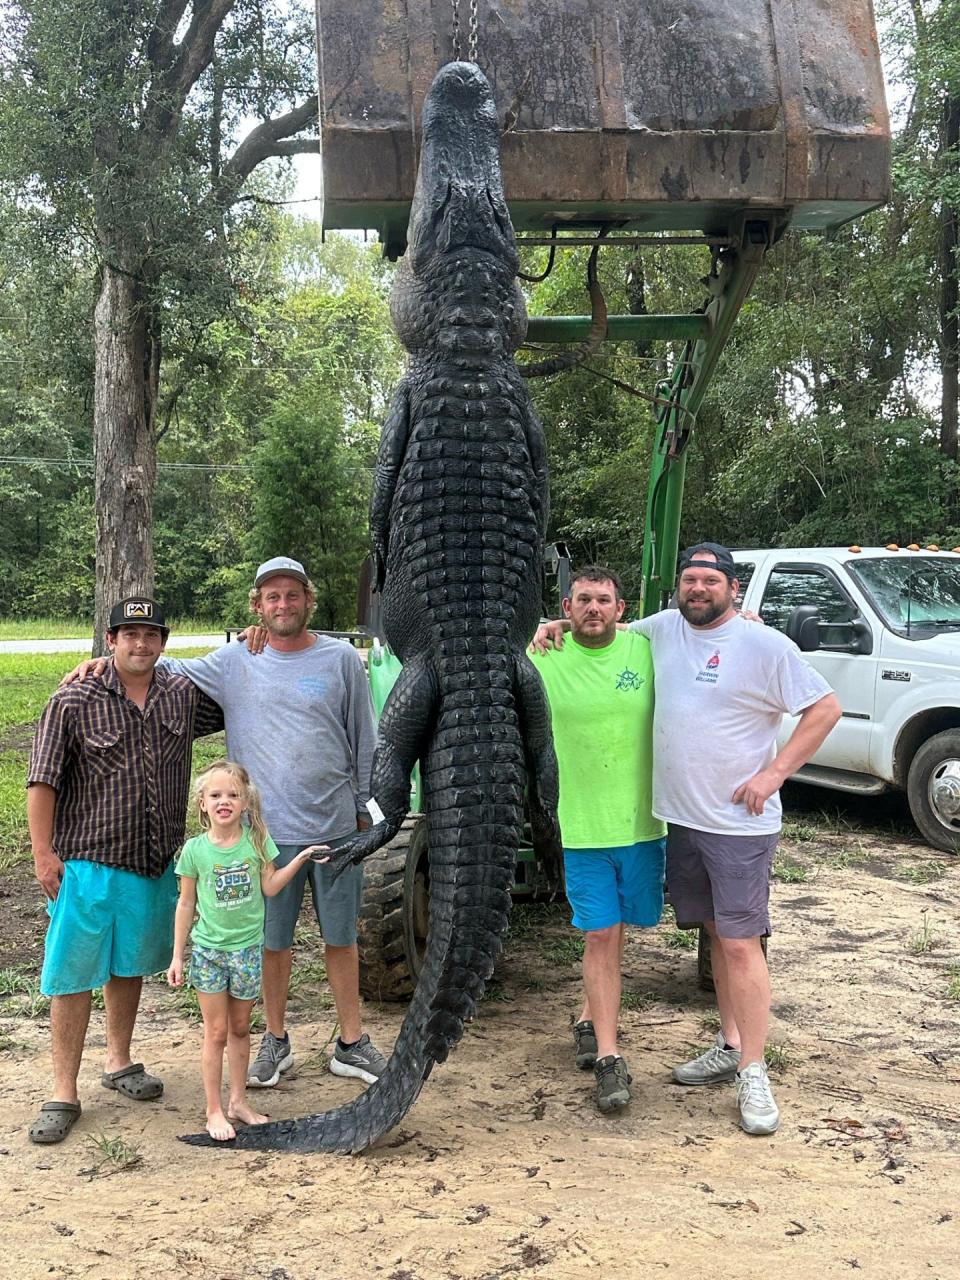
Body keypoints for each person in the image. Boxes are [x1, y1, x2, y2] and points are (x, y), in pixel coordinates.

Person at [533, 543, 841, 1135]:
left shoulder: (764, 644)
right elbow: (600, 624)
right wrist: (554, 623)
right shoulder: (664, 630)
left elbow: (825, 709)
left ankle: (753, 1069)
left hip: (738, 825)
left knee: (741, 944)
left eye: (710, 580)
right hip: (683, 821)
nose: (698, 589)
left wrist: (774, 773)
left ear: (733, 588)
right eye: (689, 580)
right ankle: (729, 1044)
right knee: (716, 935)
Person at [64, 556, 384, 1090]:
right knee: (272, 942)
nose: (283, 605)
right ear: (257, 606)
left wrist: (367, 809)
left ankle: (351, 1042)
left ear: (309, 600)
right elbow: (159, 664)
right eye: (271, 597)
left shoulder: (341, 661)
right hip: (263, 836)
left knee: (341, 938)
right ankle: (276, 1042)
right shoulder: (235, 660)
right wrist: (102, 663)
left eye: (292, 595)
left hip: (335, 827)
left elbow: (365, 738)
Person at [27, 598, 223, 1144]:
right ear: (109, 639)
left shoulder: (182, 696)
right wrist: (43, 853)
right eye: (129, 634)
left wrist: (255, 637)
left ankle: (119, 1061)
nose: (140, 644)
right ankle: (63, 1091)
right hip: (87, 865)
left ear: (164, 642)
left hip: (153, 862)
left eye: (151, 634)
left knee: (129, 964)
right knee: (72, 976)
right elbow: (41, 780)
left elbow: (245, 694)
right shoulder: (72, 698)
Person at [529, 566, 666, 1115]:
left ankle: (589, 1017)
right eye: (582, 600)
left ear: (621, 607)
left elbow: (706, 627)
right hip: (580, 825)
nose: (593, 609)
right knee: (601, 936)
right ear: (567, 604)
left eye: (602, 600)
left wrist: (746, 617)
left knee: (618, 930)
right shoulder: (543, 654)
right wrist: (544, 625)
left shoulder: (646, 649)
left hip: (641, 824)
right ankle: (610, 1058)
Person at [168, 760, 326, 1141]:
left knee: (240, 1028)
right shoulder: (194, 851)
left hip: (246, 952)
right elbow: (186, 904)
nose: (225, 801)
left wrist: (300, 859)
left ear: (245, 802)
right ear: (202, 804)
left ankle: (238, 1101)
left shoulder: (257, 842)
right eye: (216, 795)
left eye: (233, 795)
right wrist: (177, 955)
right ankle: (214, 1110)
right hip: (209, 952)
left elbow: (270, 886)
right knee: (216, 1031)